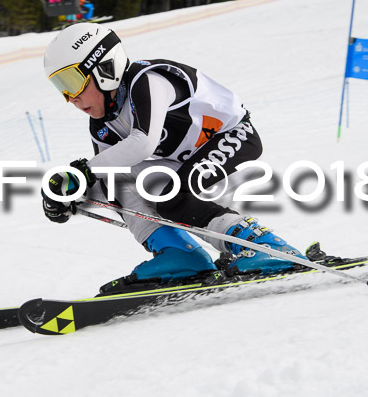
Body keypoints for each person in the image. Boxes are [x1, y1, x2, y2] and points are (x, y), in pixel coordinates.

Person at [40, 24, 306, 292]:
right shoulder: (101, 124)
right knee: (114, 182)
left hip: (232, 136)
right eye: (61, 87)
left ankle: (265, 247)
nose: (70, 98)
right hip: (182, 157)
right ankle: (181, 255)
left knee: (171, 197)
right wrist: (69, 196)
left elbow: (142, 142)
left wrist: (83, 172)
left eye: (73, 82)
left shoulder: (148, 81)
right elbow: (103, 173)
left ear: (104, 69)